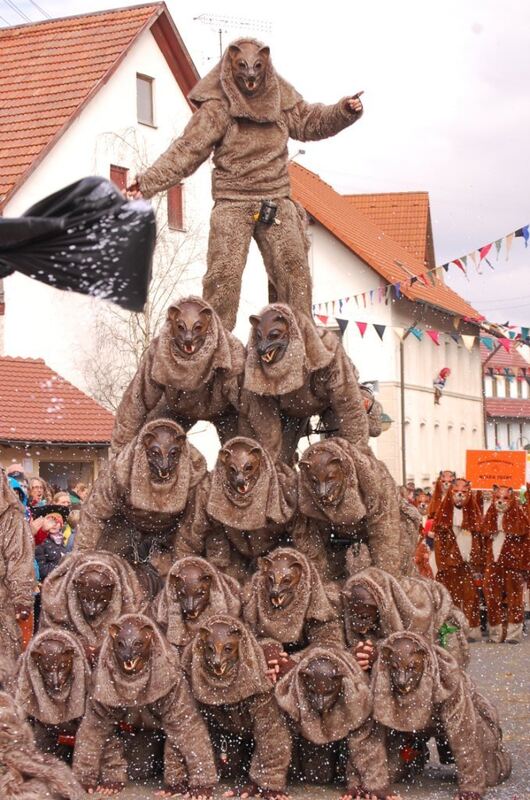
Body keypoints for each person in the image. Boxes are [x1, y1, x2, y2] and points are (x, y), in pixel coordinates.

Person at [34, 512, 68, 581]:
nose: (54, 525)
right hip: (47, 583)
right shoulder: (40, 541)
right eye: (52, 522)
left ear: (61, 526)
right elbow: (41, 570)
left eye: (57, 522)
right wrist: (63, 565)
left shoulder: (60, 540)